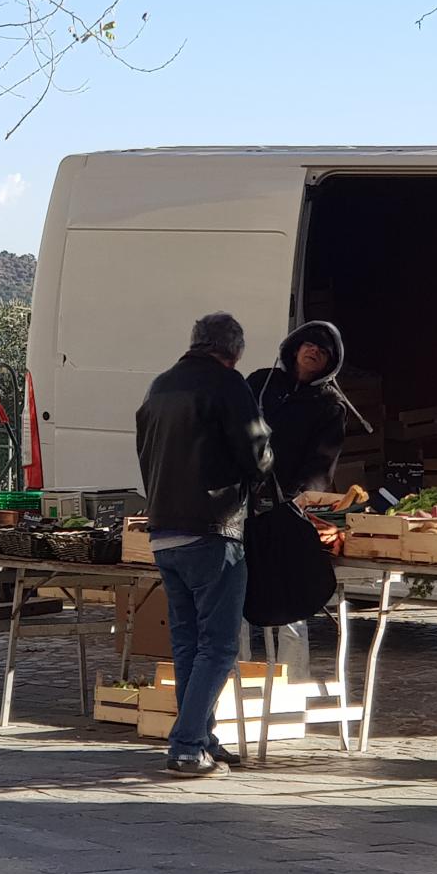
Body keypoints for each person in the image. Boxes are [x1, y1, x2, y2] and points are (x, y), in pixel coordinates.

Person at [135, 312, 272, 776]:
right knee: (218, 646)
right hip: (213, 528)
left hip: (164, 530)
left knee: (188, 643)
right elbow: (257, 457)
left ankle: (204, 737)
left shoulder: (159, 386)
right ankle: (187, 744)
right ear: (233, 351)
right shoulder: (228, 385)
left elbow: (145, 453)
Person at [246, 321, 353, 500]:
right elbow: (231, 424)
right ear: (296, 349)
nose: (314, 351)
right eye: (309, 345)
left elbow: (320, 467)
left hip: (286, 499)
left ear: (329, 364)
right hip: (242, 492)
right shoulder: (260, 381)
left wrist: (296, 499)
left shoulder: (331, 405)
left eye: (323, 351)